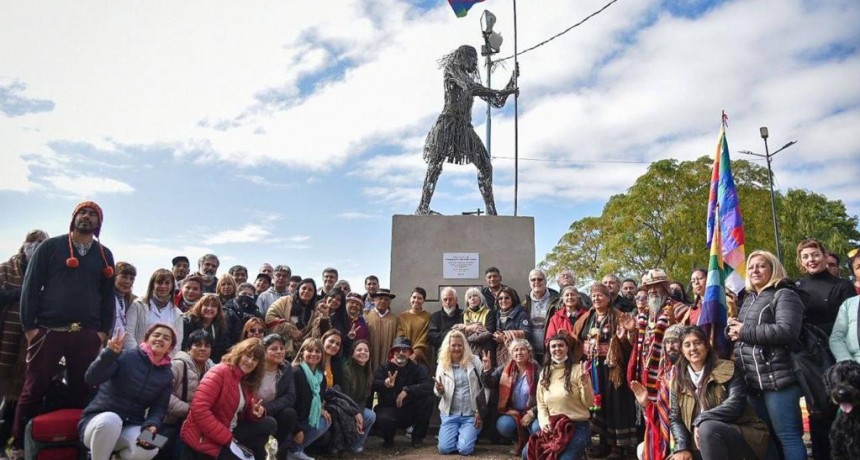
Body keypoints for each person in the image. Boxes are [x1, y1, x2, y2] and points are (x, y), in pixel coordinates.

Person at [12, 202, 116, 457]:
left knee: (84, 388)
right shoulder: (51, 247)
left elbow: (107, 298)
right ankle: (17, 445)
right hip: (49, 331)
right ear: (74, 218)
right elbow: (31, 287)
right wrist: (31, 328)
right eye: (83, 212)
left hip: (87, 334)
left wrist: (102, 332)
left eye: (93, 214)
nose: (87, 217)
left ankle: (76, 444)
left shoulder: (104, 254)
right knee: (34, 388)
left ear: (98, 223)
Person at [416, 44, 517, 215]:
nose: (475, 64)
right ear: (464, 57)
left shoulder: (468, 80)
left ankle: (491, 211)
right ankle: (423, 208)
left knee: (485, 166)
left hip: (464, 128)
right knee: (435, 166)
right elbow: (470, 87)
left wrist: (511, 84)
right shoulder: (452, 70)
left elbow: (497, 102)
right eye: (473, 59)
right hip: (448, 125)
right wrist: (499, 91)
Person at [727, 250, 807, 460]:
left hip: (779, 380)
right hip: (753, 382)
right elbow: (745, 334)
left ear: (773, 269)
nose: (755, 270)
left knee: (788, 437)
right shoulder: (750, 298)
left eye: (761, 265)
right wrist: (734, 330)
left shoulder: (785, 294)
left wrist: (743, 330)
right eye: (751, 267)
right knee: (764, 437)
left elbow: (787, 331)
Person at [793, 238, 854, 460]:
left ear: (825, 256)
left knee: (843, 416)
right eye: (806, 256)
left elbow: (849, 324)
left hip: (837, 358)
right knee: (817, 417)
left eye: (815, 254)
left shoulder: (842, 286)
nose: (811, 260)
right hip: (810, 362)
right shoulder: (798, 288)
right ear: (800, 261)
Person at [669, 325, 769, 460]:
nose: (693, 348)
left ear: (706, 345)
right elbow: (675, 418)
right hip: (699, 441)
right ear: (682, 350)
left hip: (741, 434)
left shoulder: (728, 368)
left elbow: (736, 404)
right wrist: (682, 447)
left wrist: (701, 419)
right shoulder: (678, 381)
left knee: (707, 428)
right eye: (687, 345)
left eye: (697, 343)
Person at [79, 324, 175, 460]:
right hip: (98, 423)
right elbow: (91, 378)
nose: (160, 339)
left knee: (155, 444)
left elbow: (159, 408)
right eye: (156, 335)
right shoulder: (126, 356)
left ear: (170, 348)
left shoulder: (167, 375)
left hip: (132, 424)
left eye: (166, 338)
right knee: (111, 420)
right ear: (146, 339)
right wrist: (108, 354)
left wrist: (152, 425)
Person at [181, 338, 277, 460]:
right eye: (248, 356)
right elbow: (199, 410)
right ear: (239, 354)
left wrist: (255, 413)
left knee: (269, 424)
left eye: (255, 359)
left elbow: (244, 412)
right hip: (205, 435)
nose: (250, 361)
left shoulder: (246, 379)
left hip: (229, 428)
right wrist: (227, 438)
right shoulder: (220, 371)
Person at [0, 229, 48, 450]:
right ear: (25, 244)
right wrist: (24, 293)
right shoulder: (6, 269)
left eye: (42, 242)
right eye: (34, 241)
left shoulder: (45, 274)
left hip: (27, 340)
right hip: (4, 335)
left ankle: (8, 440)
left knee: (17, 393)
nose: (37, 245)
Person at [522, 334, 594, 460]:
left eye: (561, 345)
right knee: (527, 454)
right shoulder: (545, 372)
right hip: (553, 427)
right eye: (553, 346)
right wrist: (544, 422)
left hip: (577, 426)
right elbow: (541, 404)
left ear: (567, 348)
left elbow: (588, 403)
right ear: (549, 350)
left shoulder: (578, 370)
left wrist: (585, 384)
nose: (557, 349)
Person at [630, 324, 684, 460]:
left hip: (688, 437)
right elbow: (662, 414)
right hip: (667, 435)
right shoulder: (666, 376)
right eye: (667, 342)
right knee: (643, 449)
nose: (671, 346)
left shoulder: (690, 373)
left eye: (675, 342)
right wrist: (647, 403)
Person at [161, 330, 215, 460]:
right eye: (197, 345)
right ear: (188, 348)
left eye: (207, 346)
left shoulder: (212, 370)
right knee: (150, 449)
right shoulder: (177, 365)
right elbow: (162, 395)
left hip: (193, 425)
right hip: (165, 422)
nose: (202, 349)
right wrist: (189, 410)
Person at [372, 337, 435, 448]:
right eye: (397, 350)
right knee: (383, 417)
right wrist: (385, 384)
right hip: (389, 409)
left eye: (404, 350)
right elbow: (374, 384)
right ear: (392, 353)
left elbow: (428, 386)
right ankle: (388, 439)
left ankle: (417, 438)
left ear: (410, 353)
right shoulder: (383, 368)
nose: (401, 353)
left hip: (409, 409)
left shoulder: (418, 368)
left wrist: (407, 390)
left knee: (428, 400)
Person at [481, 339, 540, 453]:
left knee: (537, 428)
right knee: (503, 425)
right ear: (511, 354)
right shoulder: (505, 368)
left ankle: (531, 445)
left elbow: (545, 396)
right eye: (515, 350)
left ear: (529, 352)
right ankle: (518, 441)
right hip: (513, 413)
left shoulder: (536, 369)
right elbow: (490, 383)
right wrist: (487, 369)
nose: (519, 352)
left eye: (522, 349)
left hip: (532, 413)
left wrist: (533, 412)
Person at [434, 330, 484, 455]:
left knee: (465, 450)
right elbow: (437, 390)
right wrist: (439, 390)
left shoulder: (475, 361)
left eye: (459, 345)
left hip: (471, 415)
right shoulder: (442, 363)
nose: (456, 348)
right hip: (450, 415)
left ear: (464, 346)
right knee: (444, 449)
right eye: (453, 345)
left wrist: (479, 411)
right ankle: (461, 436)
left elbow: (486, 387)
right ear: (448, 346)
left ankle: (466, 436)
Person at [287, 338, 332, 460]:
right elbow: (288, 405)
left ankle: (295, 450)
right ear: (302, 352)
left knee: (325, 420)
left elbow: (318, 398)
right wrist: (296, 430)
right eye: (310, 350)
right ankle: (290, 449)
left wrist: (321, 410)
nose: (314, 354)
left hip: (306, 418)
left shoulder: (320, 376)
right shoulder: (295, 372)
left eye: (318, 351)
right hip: (291, 421)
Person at [126, 269, 184, 356]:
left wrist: (167, 361)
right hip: (137, 358)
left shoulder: (177, 313)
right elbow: (128, 333)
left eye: (167, 283)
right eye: (160, 283)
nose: (163, 286)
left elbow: (177, 343)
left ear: (172, 286)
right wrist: (137, 356)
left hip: (163, 363)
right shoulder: (138, 305)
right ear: (153, 284)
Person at [258, 334, 297, 460]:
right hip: (252, 412)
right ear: (264, 351)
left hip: (272, 410)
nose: (279, 352)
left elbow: (290, 396)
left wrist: (266, 409)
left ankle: (275, 449)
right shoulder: (255, 367)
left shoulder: (286, 367)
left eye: (281, 348)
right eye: (274, 349)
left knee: (289, 413)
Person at [341, 340, 376, 448]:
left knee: (370, 415)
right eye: (359, 350)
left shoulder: (368, 373)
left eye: (366, 350)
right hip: (345, 408)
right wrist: (355, 413)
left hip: (356, 408)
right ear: (352, 354)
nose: (363, 352)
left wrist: (359, 413)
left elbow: (363, 399)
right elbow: (345, 397)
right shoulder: (346, 371)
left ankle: (356, 445)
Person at [521, 269, 560, 362]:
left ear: (545, 281)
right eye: (533, 280)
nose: (536, 282)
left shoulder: (557, 301)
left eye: (539, 279)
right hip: (531, 352)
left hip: (551, 351)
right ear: (529, 282)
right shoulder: (524, 303)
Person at [183, 294, 232, 363]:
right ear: (200, 307)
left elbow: (222, 349)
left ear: (218, 310)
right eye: (206, 305)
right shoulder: (188, 322)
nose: (209, 308)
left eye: (213, 306)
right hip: (187, 361)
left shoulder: (221, 327)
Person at [830, 250, 860, 362]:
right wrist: (848, 363)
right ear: (854, 274)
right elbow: (837, 338)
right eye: (858, 267)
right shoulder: (849, 305)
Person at [364, 288, 399, 371]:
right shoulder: (367, 317)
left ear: (390, 302)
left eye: (386, 299)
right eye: (380, 298)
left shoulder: (394, 319)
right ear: (374, 300)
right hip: (370, 355)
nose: (383, 301)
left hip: (387, 357)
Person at [397, 287, 432, 368]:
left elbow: (425, 337)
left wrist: (416, 353)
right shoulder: (402, 316)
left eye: (419, 298)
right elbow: (399, 334)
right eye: (414, 297)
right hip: (403, 355)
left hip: (421, 357)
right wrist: (405, 352)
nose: (416, 300)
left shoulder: (428, 317)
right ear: (410, 299)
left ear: (423, 301)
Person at [458, 287, 496, 358]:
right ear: (467, 301)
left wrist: (467, 333)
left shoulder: (489, 313)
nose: (473, 298)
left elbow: (488, 333)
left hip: (486, 352)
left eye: (475, 295)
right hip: (467, 352)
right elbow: (459, 334)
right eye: (469, 297)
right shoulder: (462, 315)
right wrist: (469, 328)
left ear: (480, 298)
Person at [429, 287, 464, 353]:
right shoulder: (435, 317)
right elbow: (432, 338)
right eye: (445, 299)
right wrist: (454, 330)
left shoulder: (463, 315)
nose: (448, 302)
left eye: (450, 299)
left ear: (456, 300)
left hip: (461, 355)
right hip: (441, 355)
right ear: (442, 302)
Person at [113, 261, 137, 336]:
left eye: (131, 279)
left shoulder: (132, 301)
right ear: (115, 276)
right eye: (124, 277)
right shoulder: (102, 298)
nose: (127, 281)